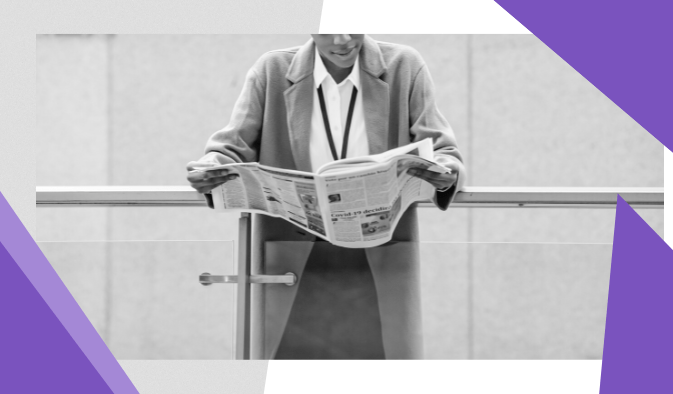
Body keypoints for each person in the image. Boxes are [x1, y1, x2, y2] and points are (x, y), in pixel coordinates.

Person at [187, 34, 465, 359]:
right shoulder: (272, 70)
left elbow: (443, 149)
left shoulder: (404, 66)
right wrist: (211, 167)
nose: (343, 39)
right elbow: (229, 148)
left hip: (380, 257)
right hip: (292, 261)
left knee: (379, 369)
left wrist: (445, 171)